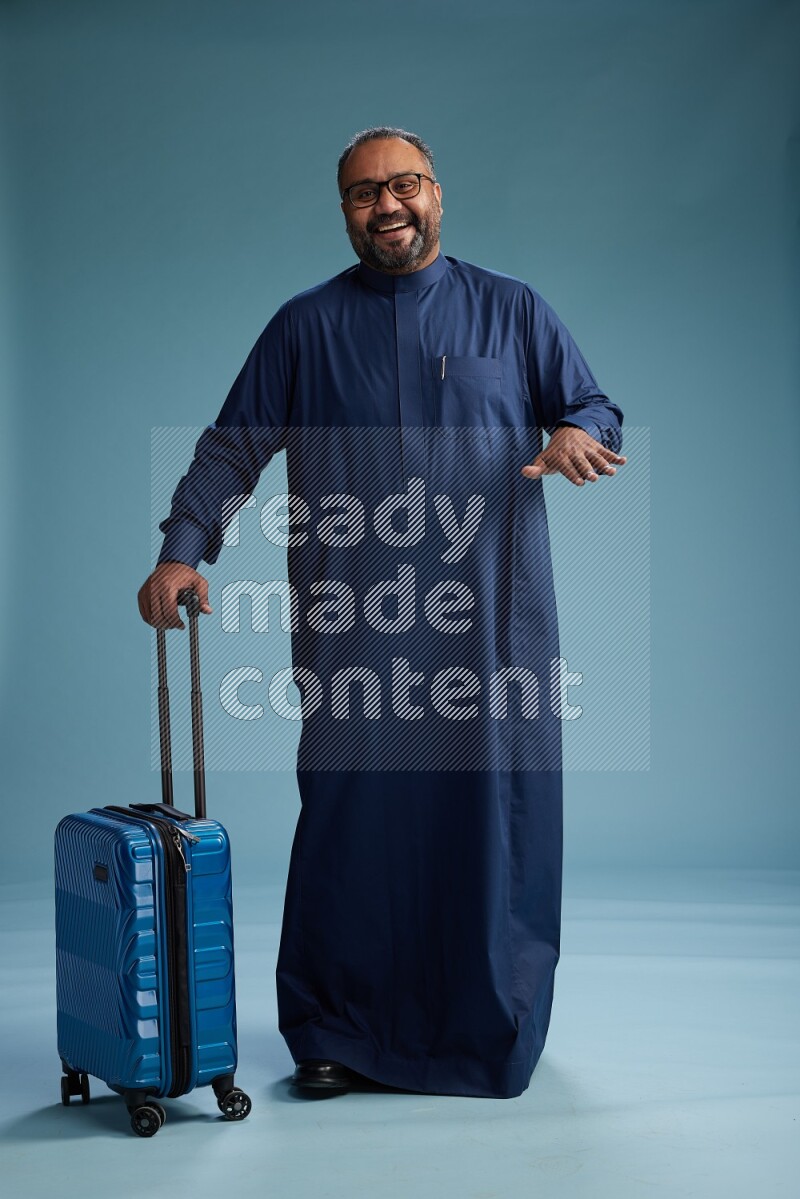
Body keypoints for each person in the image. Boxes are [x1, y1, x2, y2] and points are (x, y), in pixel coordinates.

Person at [138, 126, 626, 1099]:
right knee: (350, 827)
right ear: (345, 211)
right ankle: (333, 1029)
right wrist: (181, 550)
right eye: (364, 193)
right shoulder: (303, 328)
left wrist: (576, 431)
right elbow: (231, 448)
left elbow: (591, 404)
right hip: (354, 625)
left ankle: (485, 1027)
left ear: (436, 193)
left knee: (487, 824)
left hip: (490, 631)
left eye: (403, 184)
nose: (386, 204)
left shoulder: (510, 311)